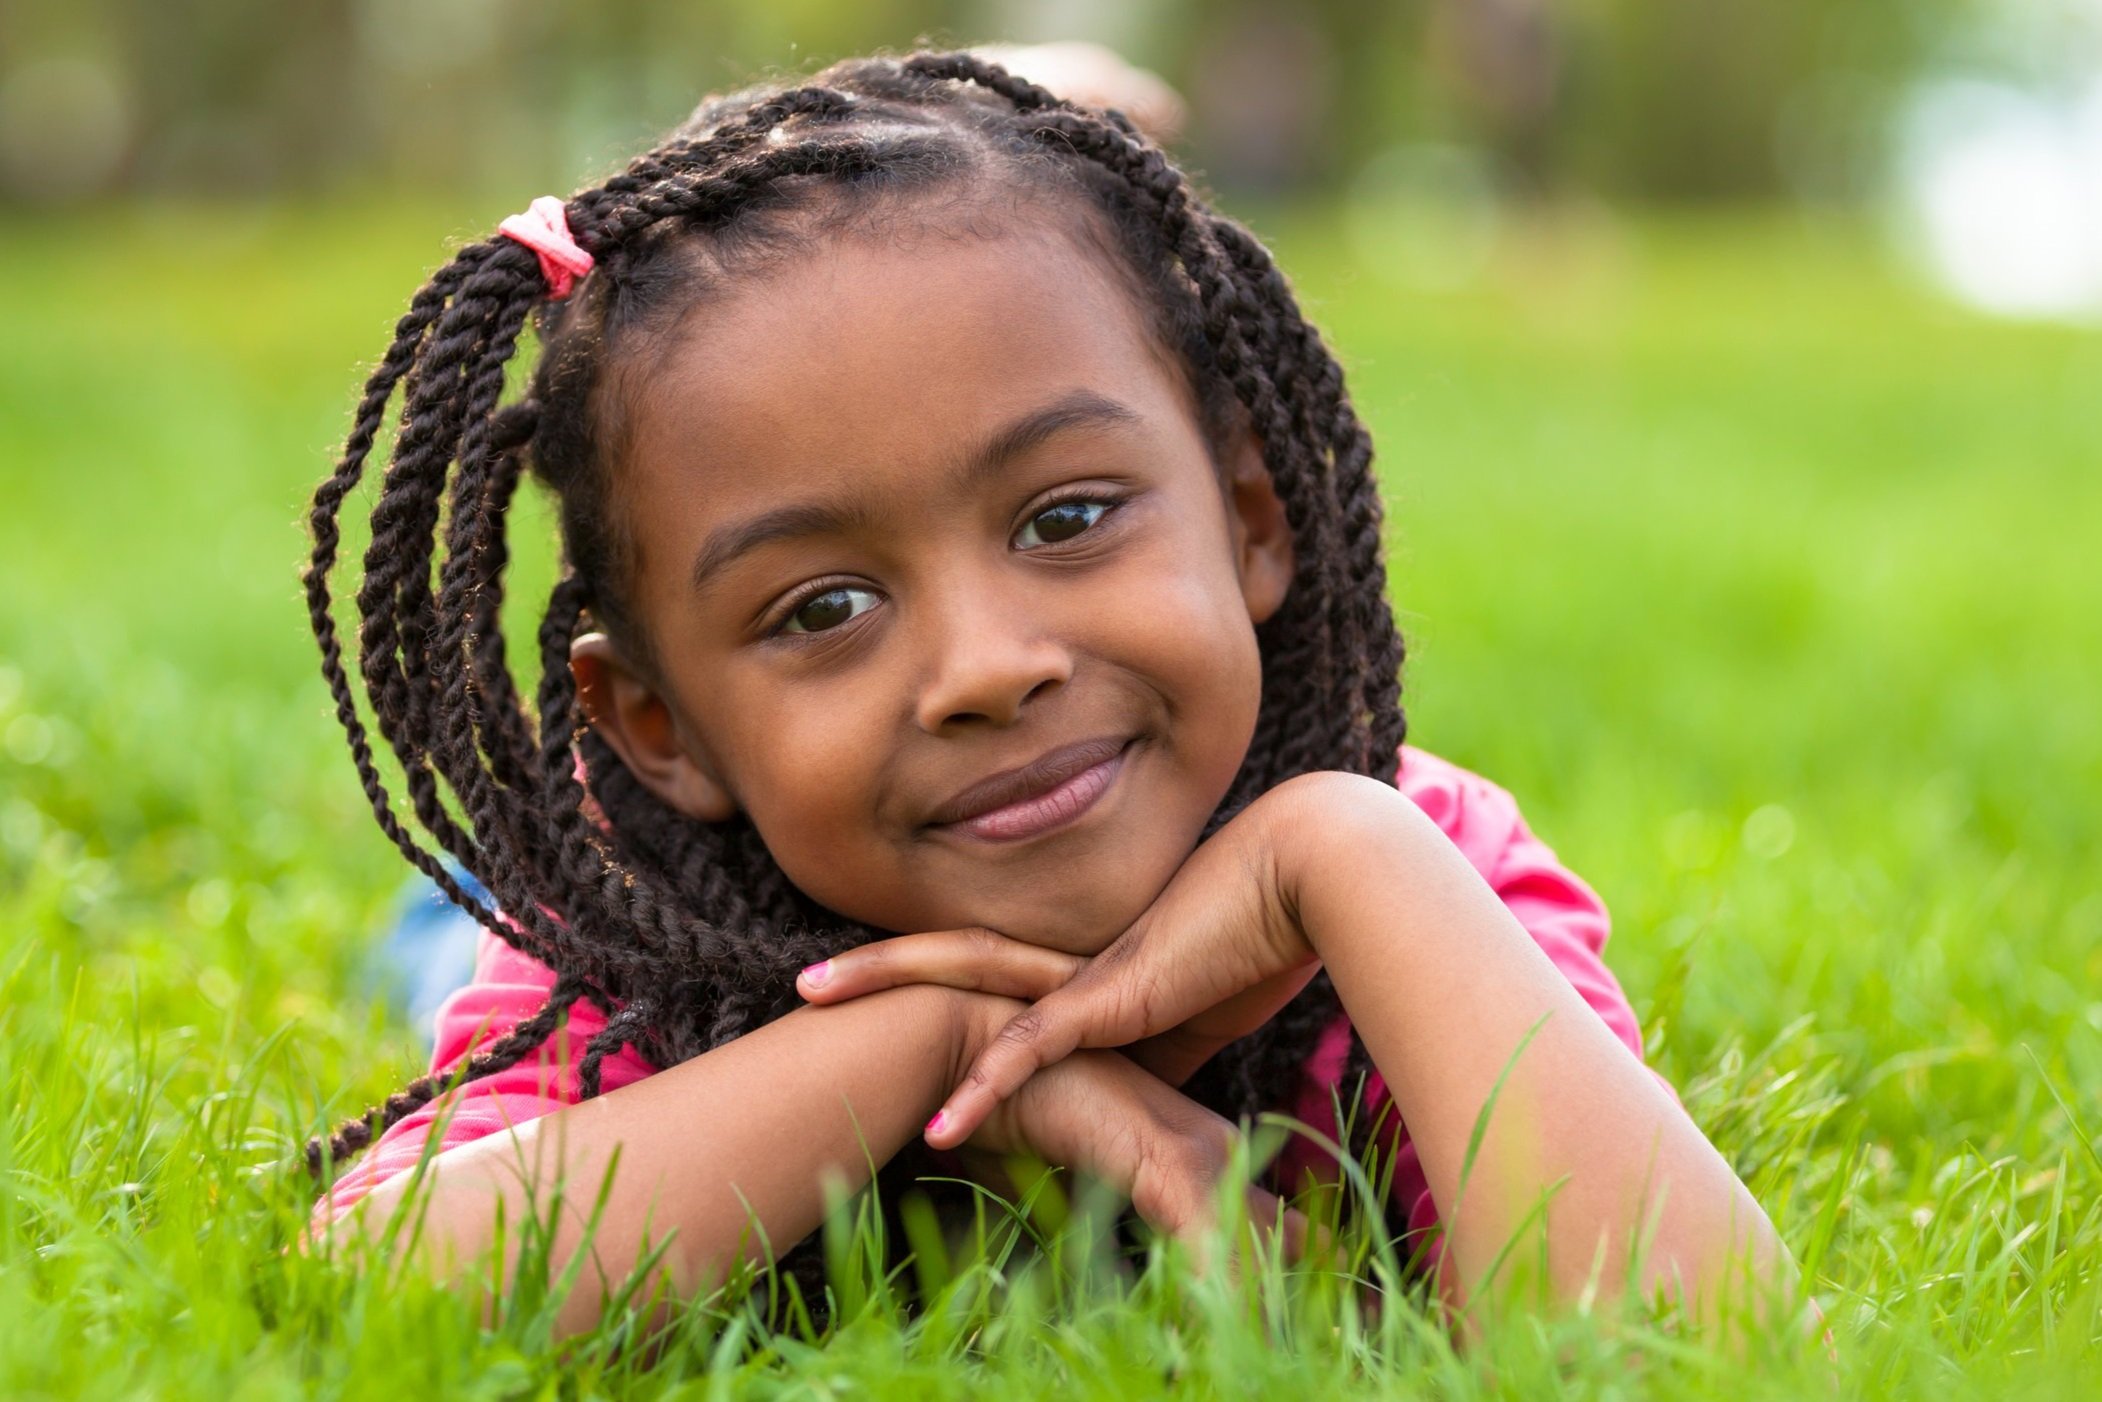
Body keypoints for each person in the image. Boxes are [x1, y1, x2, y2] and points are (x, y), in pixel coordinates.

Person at [304, 50, 1788, 1337]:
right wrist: (933, 1042)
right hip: (601, 880)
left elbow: (1687, 1340)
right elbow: (378, 1292)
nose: (989, 666)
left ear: (1252, 515)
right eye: (823, 607)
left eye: (1066, 516)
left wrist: (1340, 845)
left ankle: (996, 124)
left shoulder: (1413, 871)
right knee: (449, 923)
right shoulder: (639, 932)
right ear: (659, 727)